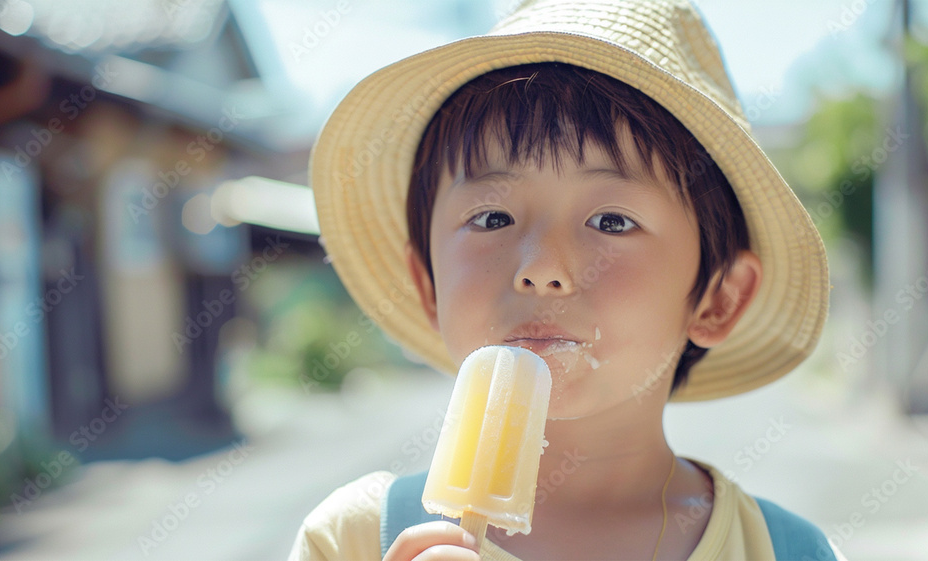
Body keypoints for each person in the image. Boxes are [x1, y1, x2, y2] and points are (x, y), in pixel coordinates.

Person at [291, 0, 841, 559]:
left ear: (719, 300)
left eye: (612, 221)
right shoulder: (352, 538)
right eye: (491, 218)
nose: (541, 270)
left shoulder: (788, 550)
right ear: (426, 282)